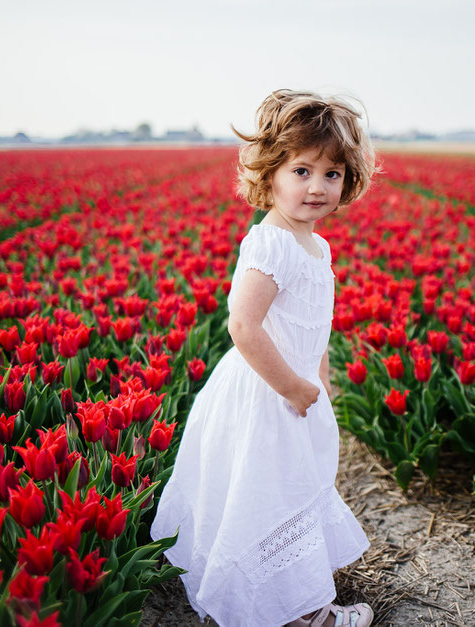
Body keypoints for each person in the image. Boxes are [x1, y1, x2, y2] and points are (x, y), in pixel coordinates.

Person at [150, 89, 380, 626]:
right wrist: (294, 388)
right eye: (301, 171)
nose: (317, 187)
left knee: (289, 490)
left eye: (333, 174)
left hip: (294, 391)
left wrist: (318, 382)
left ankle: (286, 599)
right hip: (264, 392)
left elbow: (311, 327)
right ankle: (302, 615)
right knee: (268, 495)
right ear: (270, 173)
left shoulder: (315, 246)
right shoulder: (271, 243)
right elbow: (243, 326)